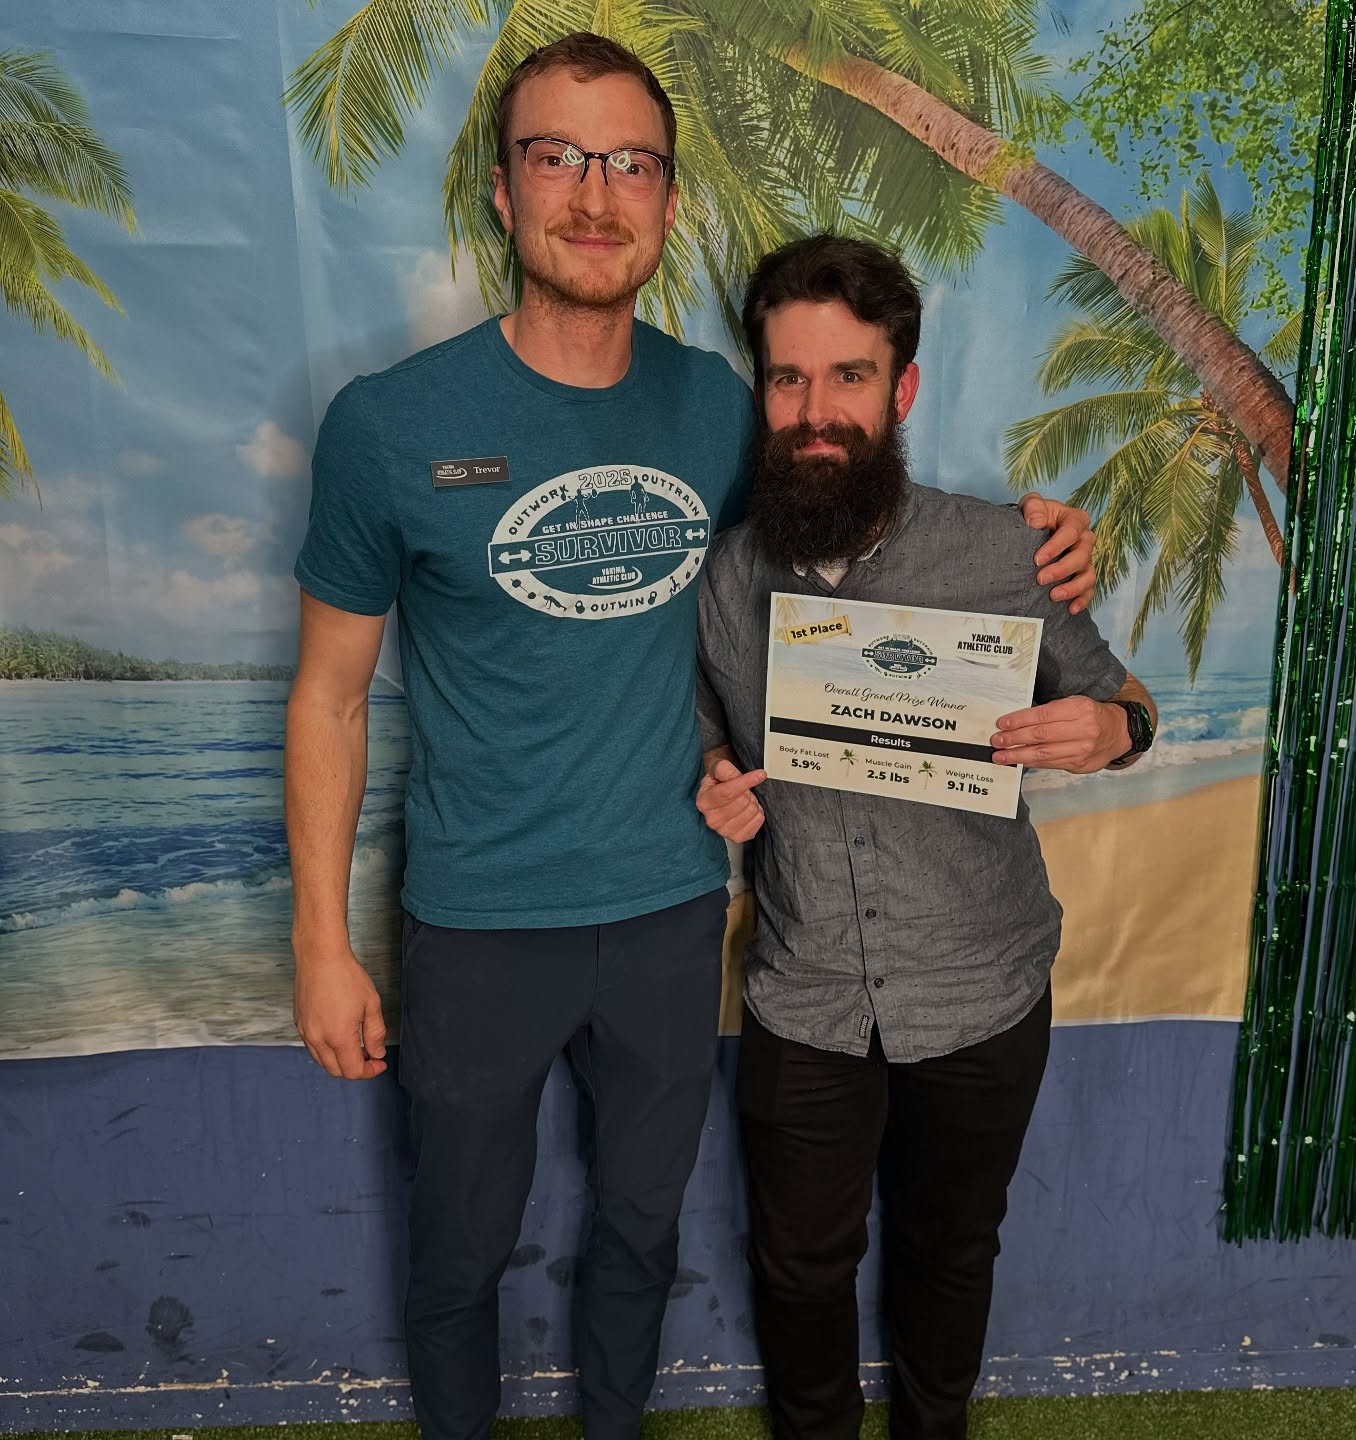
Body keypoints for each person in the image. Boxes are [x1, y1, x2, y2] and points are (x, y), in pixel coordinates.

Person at [284, 33, 1100, 1440]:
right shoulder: (387, 426)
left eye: (632, 164)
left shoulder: (723, 412)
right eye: (558, 156)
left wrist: (1042, 542)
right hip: (478, 919)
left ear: (669, 201)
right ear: (503, 191)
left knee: (639, 1235)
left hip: (675, 910)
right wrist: (318, 940)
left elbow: (856, 547)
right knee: (456, 1255)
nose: (595, 194)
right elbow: (329, 697)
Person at [694, 233, 1158, 1440]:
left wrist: (1112, 730)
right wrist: (713, 780)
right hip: (805, 993)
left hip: (983, 988)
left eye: (848, 376)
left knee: (951, 1252)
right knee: (797, 1266)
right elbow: (704, 732)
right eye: (788, 378)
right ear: (762, 391)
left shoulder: (1011, 552)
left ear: (900, 390)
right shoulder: (726, 579)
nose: (815, 412)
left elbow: (1126, 699)